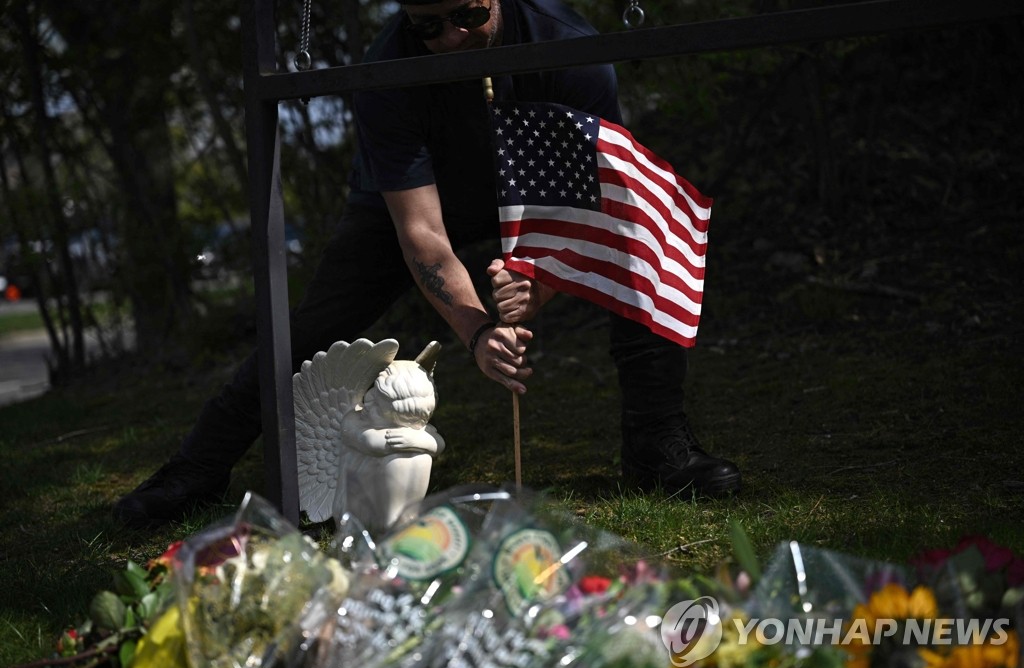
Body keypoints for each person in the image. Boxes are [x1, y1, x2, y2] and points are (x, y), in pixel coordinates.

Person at [113, 0, 740, 529]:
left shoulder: (567, 44)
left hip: (536, 189)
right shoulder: (387, 67)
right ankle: (196, 469)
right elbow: (422, 234)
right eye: (429, 26)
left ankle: (658, 444)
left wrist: (534, 289)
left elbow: (585, 209)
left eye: (469, 15)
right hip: (414, 201)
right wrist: (478, 331)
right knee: (308, 330)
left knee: (637, 249)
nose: (451, 39)